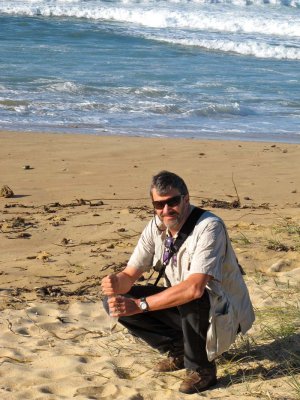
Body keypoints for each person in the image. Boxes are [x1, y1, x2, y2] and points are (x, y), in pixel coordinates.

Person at [101, 170, 255, 394]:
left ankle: (202, 370)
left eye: (172, 202)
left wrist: (141, 305)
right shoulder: (156, 225)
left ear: (186, 198)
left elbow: (194, 287)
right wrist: (116, 284)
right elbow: (130, 274)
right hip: (190, 306)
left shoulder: (210, 226)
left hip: (223, 313)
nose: (165, 210)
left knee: (192, 295)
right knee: (116, 302)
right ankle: (179, 350)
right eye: (159, 204)